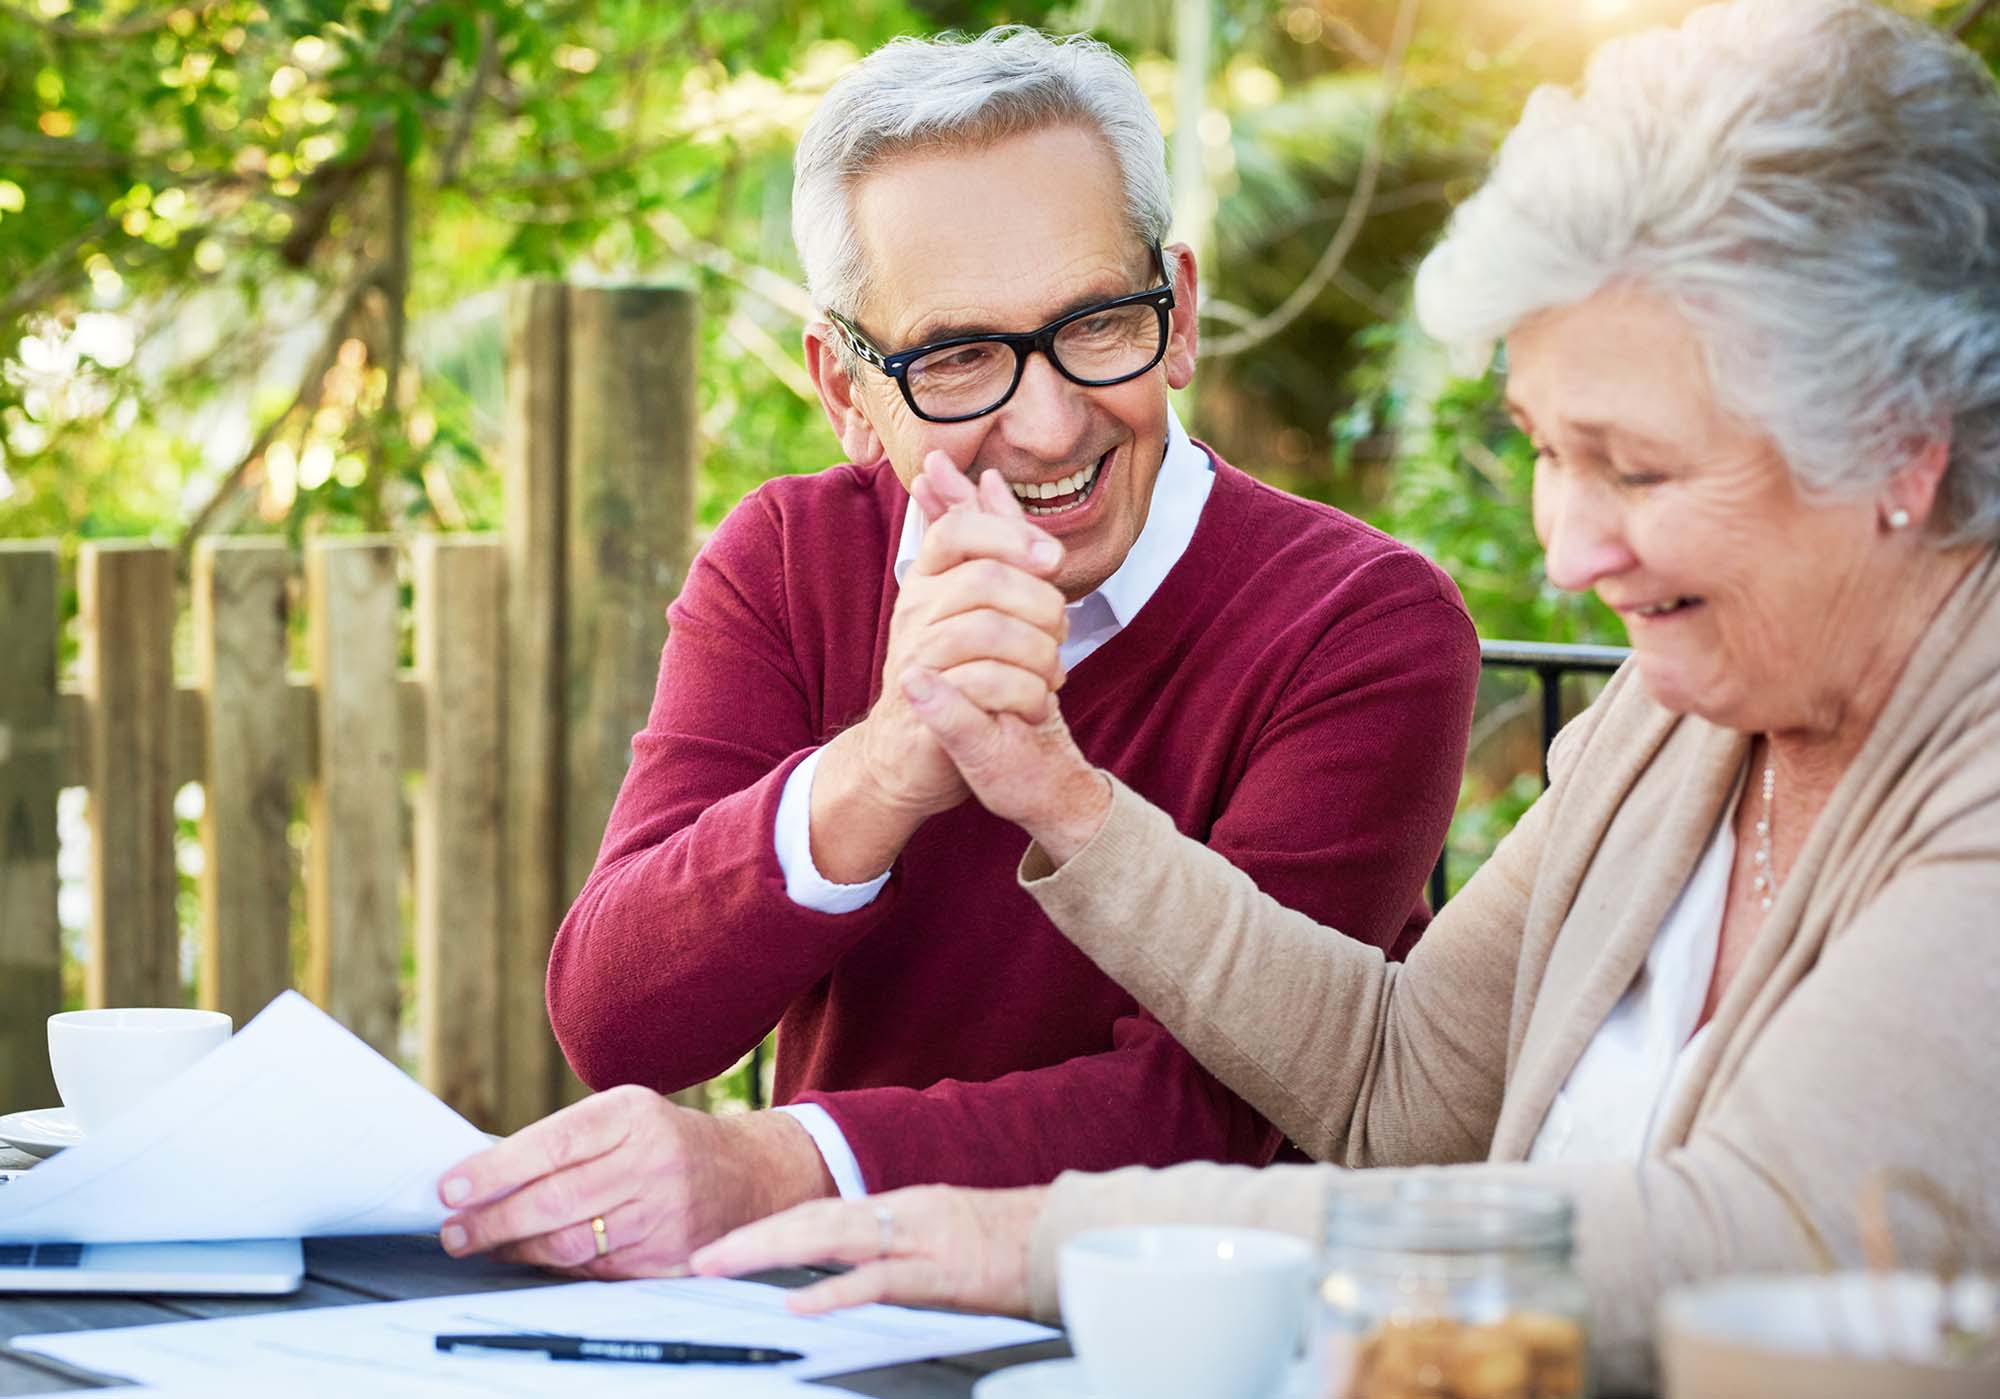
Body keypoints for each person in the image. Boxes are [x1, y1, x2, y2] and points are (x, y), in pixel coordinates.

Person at [686, 1, 2000, 1388]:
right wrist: (1055, 792)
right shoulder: (1688, 718)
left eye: (1637, 468)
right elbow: (1401, 1082)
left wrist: (1054, 1237)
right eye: (1548, 449)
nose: (1566, 549)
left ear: (1899, 453)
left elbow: (1741, 1239)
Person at [432, 29, 1480, 1273]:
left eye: (1097, 324)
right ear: (843, 388)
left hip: (1199, 1325)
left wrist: (780, 1166)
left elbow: (1223, 1115)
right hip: (846, 1320)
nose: (1044, 425)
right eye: (959, 359)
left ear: (1180, 313)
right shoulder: (787, 557)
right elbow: (619, 1022)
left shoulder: (1362, 621)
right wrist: (883, 768)